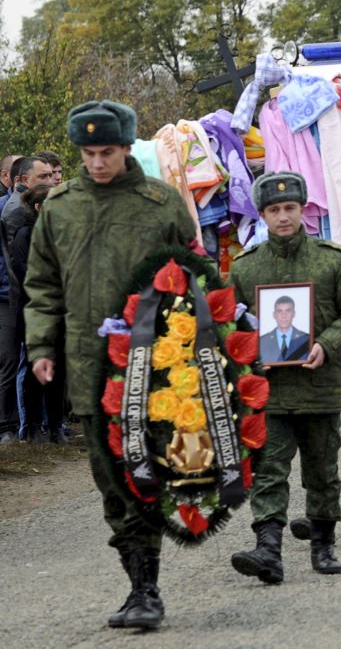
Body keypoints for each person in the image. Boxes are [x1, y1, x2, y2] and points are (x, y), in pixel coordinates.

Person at [24, 100, 199, 629]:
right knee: (109, 478)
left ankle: (147, 589)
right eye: (88, 152)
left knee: (142, 471)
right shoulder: (60, 207)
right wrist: (41, 349)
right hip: (88, 366)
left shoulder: (161, 203)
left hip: (155, 363)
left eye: (107, 152)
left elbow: (194, 272)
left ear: (127, 148)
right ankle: (138, 583)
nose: (97, 163)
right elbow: (42, 286)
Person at [230, 172, 341, 582]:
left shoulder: (331, 259)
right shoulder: (246, 268)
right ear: (262, 214)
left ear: (303, 210)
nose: (283, 217)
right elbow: (227, 325)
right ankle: (268, 549)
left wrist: (327, 345)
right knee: (269, 468)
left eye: (290, 208)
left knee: (322, 470)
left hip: (320, 387)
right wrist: (251, 351)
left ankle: (323, 544)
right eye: (274, 210)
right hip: (269, 390)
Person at [2, 185, 65, 444]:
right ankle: (34, 426)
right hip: (34, 312)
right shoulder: (25, 236)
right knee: (34, 367)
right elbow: (26, 273)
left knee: (60, 369)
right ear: (39, 208)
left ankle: (55, 425)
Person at [259, 296, 311, 362]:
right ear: (274, 315)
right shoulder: (262, 341)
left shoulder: (306, 339)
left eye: (288, 311)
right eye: (279, 311)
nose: (284, 315)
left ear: (293, 314)